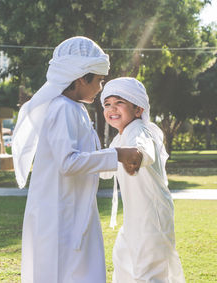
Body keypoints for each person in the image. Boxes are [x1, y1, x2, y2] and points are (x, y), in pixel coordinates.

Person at [12, 37, 142, 283]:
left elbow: (89, 159)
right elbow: (69, 163)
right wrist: (118, 155)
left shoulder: (76, 109)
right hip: (59, 215)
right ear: (81, 78)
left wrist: (118, 161)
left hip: (76, 210)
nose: (101, 87)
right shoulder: (61, 108)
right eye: (99, 81)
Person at [100, 77, 186, 283]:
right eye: (107, 104)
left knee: (149, 272)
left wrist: (135, 156)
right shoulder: (120, 138)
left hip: (152, 218)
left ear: (138, 110)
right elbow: (104, 171)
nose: (112, 108)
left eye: (119, 102)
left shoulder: (140, 130)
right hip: (134, 219)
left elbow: (144, 150)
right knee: (124, 264)